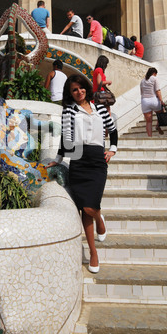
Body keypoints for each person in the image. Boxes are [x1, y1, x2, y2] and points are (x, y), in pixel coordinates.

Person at [47, 74, 118, 273]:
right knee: (85, 208)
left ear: (86, 87)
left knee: (90, 206)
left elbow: (113, 131)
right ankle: (93, 252)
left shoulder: (100, 109)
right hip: (78, 159)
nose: (79, 92)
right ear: (70, 94)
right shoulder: (69, 110)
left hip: (97, 160)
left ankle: (98, 218)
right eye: (74, 90)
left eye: (81, 88)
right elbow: (66, 137)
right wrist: (59, 159)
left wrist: (112, 149)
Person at [140, 68, 165, 137]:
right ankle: (157, 125)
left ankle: (150, 137)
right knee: (161, 113)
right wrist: (161, 101)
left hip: (145, 101)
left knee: (148, 122)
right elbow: (157, 91)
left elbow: (141, 93)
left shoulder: (142, 81)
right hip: (154, 100)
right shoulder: (154, 79)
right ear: (154, 73)